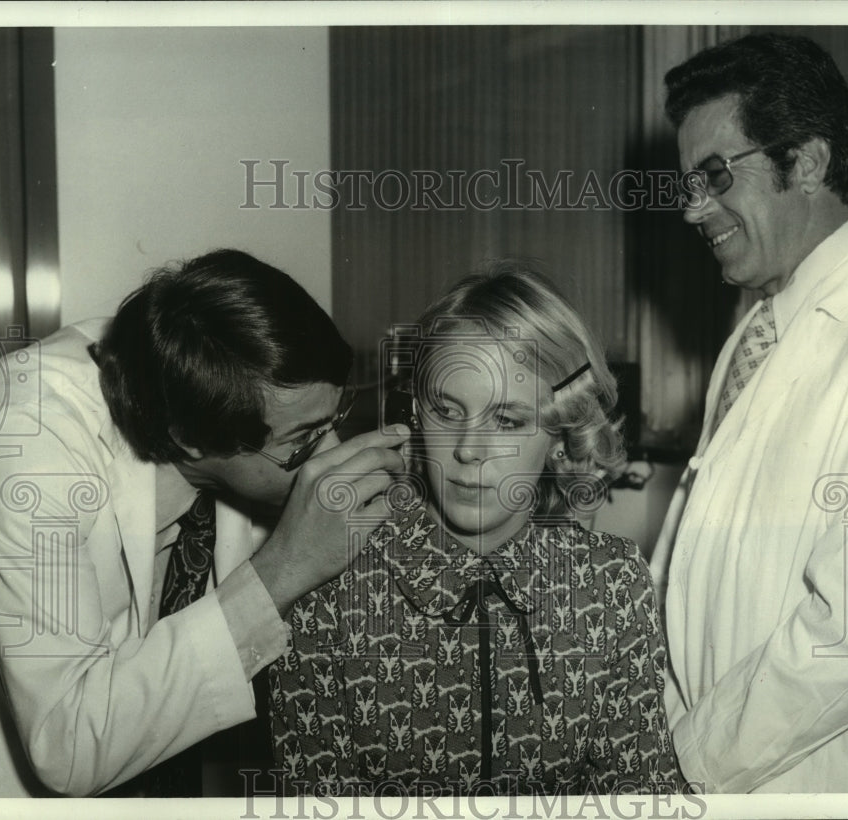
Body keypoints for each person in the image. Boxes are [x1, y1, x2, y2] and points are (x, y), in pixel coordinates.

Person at [0, 249, 409, 796]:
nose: (329, 454)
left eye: (332, 421)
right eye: (303, 441)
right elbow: (67, 746)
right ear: (189, 437)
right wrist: (280, 571)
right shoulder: (27, 449)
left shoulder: (197, 382)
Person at [268, 261, 683, 796]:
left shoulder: (613, 584)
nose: (468, 450)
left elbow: (645, 797)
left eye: (506, 421)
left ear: (561, 434)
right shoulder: (330, 580)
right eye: (447, 410)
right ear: (415, 412)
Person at [649, 33, 848, 793]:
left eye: (713, 177)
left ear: (806, 162)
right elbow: (692, 557)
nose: (692, 210)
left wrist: (688, 764)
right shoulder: (760, 328)